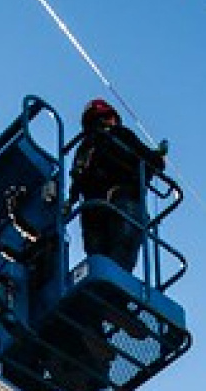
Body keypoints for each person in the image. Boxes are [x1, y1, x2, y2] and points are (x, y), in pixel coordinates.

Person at [68, 98, 167, 274]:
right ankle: (111, 281)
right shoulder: (120, 135)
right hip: (121, 201)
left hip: (93, 210)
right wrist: (158, 157)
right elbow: (152, 162)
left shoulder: (83, 148)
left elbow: (76, 183)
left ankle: (104, 281)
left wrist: (68, 203)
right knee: (119, 261)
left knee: (99, 262)